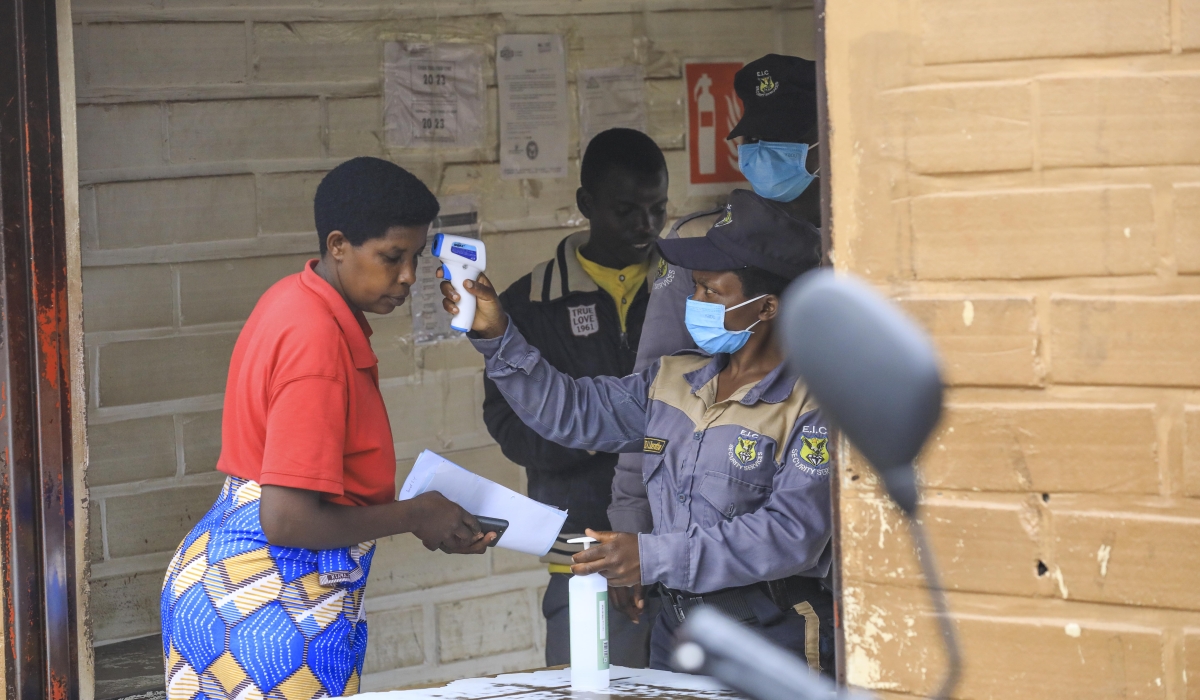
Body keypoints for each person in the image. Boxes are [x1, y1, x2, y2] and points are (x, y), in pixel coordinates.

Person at [441, 190, 835, 673]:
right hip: (678, 630)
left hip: (770, 635)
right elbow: (572, 412)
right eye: (695, 287)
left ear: (766, 307)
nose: (694, 301)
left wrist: (651, 556)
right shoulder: (674, 379)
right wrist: (496, 333)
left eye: (712, 291)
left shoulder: (813, 403)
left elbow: (791, 534)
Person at [160, 157, 496, 700]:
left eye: (415, 257)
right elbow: (288, 519)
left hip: (225, 584)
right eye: (392, 257)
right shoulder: (315, 341)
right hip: (266, 603)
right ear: (338, 244)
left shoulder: (294, 297)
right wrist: (416, 514)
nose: (409, 276)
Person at [608, 54, 828, 630]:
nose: (758, 154)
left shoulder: (861, 244)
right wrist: (634, 536)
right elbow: (652, 412)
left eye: (777, 139)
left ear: (821, 144)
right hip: (710, 568)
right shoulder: (698, 247)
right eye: (750, 138)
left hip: (824, 556)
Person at [482, 128, 668, 667]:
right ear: (587, 204)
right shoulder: (530, 303)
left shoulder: (689, 290)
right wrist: (597, 440)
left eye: (658, 208)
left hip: (677, 541)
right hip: (580, 547)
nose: (646, 226)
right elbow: (508, 424)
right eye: (627, 209)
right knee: (590, 681)